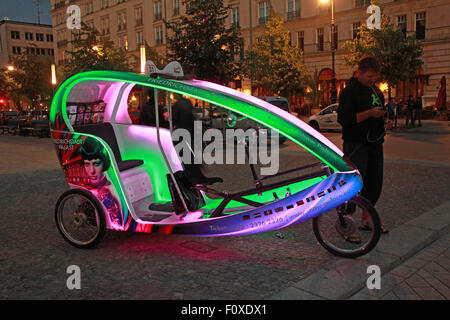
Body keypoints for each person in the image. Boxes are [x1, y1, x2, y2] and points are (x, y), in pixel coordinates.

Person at [337, 56, 389, 243]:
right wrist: (370, 114)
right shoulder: (349, 92)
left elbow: (379, 110)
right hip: (356, 144)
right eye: (369, 76)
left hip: (375, 143)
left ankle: (366, 220)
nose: (372, 80)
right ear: (359, 72)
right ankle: (347, 224)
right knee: (353, 184)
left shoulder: (376, 90)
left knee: (374, 183)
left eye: (375, 77)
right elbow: (345, 119)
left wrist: (383, 118)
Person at [80, 137, 123, 227]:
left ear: (104, 164)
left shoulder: (111, 190)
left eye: (96, 164)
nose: (92, 171)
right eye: (87, 164)